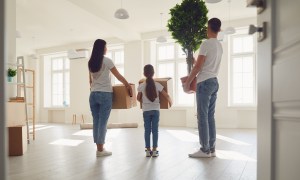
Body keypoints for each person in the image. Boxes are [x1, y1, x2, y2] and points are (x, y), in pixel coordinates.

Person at [183, 18, 223, 158]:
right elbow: (204, 64)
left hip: (204, 83)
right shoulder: (219, 45)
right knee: (210, 116)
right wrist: (195, 62)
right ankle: (211, 149)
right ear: (219, 29)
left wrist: (188, 82)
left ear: (208, 28)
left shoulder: (206, 43)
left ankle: (204, 149)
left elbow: (199, 67)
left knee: (202, 117)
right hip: (214, 81)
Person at [88, 39, 132, 157]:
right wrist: (128, 85)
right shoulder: (107, 61)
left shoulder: (90, 62)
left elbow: (90, 81)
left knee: (96, 121)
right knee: (103, 122)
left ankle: (99, 149)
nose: (106, 49)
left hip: (93, 95)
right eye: (106, 47)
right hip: (105, 94)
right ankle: (101, 150)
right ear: (102, 48)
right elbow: (118, 76)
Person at [137, 64, 172, 157]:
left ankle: (148, 151)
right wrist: (170, 102)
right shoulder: (158, 85)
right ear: (153, 73)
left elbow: (138, 98)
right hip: (156, 110)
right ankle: (155, 150)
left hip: (146, 110)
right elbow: (166, 95)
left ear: (144, 73)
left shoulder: (141, 85)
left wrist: (143, 100)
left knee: (147, 130)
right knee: (155, 130)